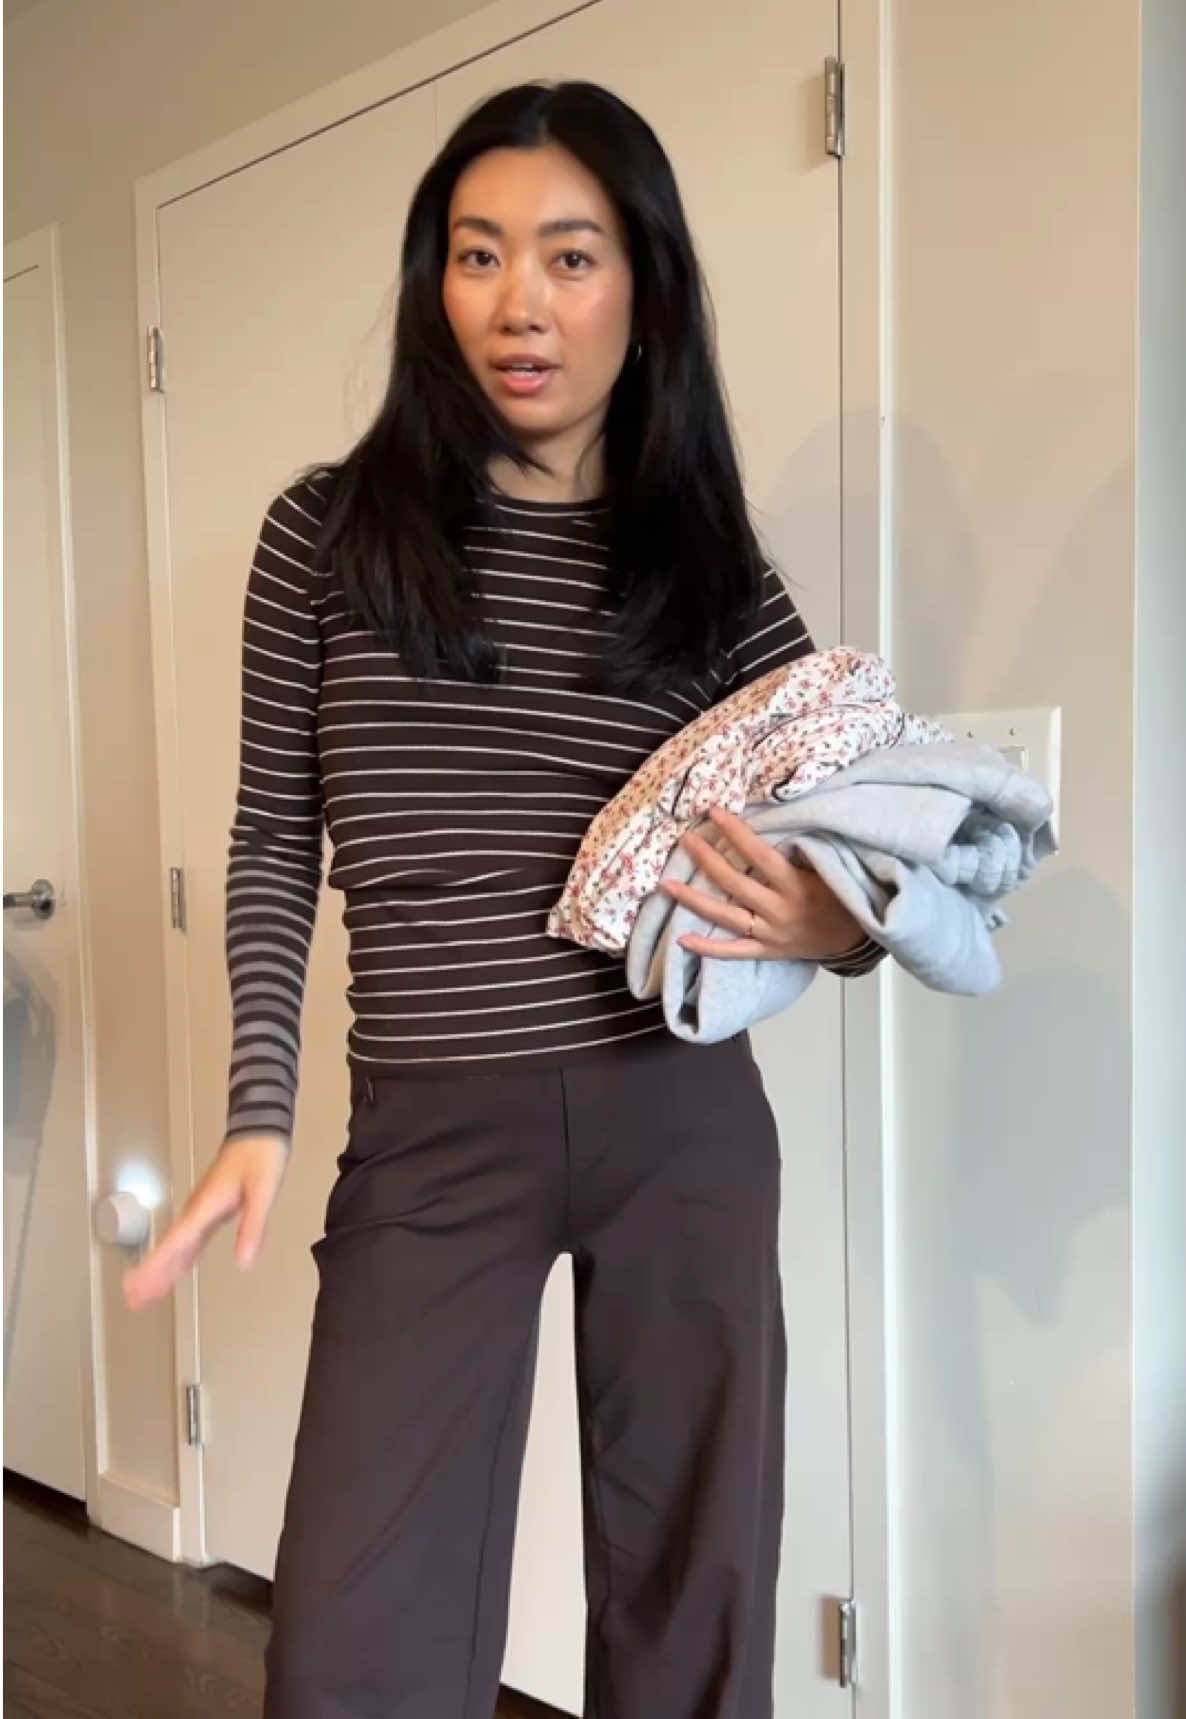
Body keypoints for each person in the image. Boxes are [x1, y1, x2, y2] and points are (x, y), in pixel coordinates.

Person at [124, 79, 881, 1719]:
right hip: (431, 1129)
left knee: (694, 1602)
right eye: (477, 254)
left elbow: (856, 815)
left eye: (569, 255)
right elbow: (276, 835)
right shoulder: (327, 536)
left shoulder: (708, 564)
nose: (518, 301)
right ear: (433, 283)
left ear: (645, 289)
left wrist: (838, 929)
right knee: (352, 1642)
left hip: (678, 1116)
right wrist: (259, 1104)